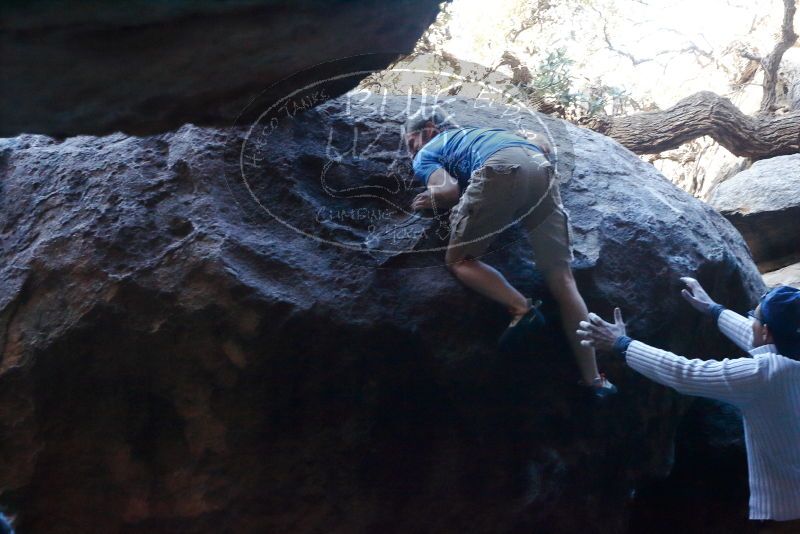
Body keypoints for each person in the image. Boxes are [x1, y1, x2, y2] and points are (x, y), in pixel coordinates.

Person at [404, 107, 616, 398]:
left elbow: (449, 191)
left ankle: (521, 308)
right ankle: (595, 380)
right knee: (564, 280)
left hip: (502, 169)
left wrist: (427, 200)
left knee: (459, 261)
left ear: (427, 130)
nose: (410, 151)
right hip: (540, 168)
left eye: (409, 142)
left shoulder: (428, 151)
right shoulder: (485, 134)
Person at [576, 278, 800, 532]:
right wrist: (715, 310)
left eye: (754, 319)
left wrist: (622, 344)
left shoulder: (764, 375)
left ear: (766, 331)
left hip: (791, 509)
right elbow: (766, 340)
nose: (751, 324)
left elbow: (684, 373)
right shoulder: (786, 354)